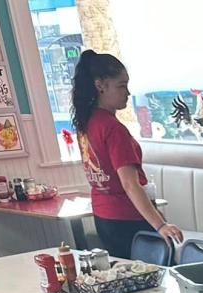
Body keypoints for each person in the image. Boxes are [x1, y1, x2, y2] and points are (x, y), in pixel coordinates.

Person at [71, 50, 182, 260]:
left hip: (103, 215)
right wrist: (160, 225)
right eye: (121, 86)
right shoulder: (113, 128)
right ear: (100, 85)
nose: (128, 93)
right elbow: (130, 184)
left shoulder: (87, 123)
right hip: (128, 217)